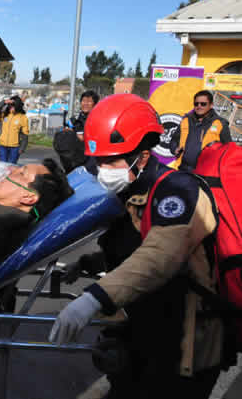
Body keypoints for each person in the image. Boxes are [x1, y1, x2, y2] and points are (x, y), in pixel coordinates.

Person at [49, 94, 226, 398]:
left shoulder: (179, 192)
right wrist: (91, 262)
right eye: (99, 160)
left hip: (184, 340)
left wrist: (94, 298)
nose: (103, 169)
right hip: (143, 328)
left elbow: (160, 255)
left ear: (143, 156)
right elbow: (134, 246)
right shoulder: (131, 189)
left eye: (111, 160)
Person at [173, 90, 231, 172]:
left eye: (203, 104)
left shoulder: (220, 123)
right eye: (196, 104)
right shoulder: (185, 120)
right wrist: (175, 149)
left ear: (211, 105)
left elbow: (228, 149)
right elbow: (174, 140)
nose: (199, 106)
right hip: (182, 170)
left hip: (206, 172)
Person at [54, 90, 99, 173]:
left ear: (95, 104)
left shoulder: (98, 121)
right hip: (74, 159)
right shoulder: (74, 120)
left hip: (91, 159)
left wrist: (84, 138)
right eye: (83, 101)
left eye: (89, 101)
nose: (85, 104)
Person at [0, 95, 29, 164]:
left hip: (15, 148)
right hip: (3, 146)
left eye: (13, 105)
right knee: (2, 166)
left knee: (11, 167)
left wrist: (22, 148)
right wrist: (4, 102)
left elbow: (25, 134)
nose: (10, 107)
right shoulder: (5, 115)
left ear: (17, 106)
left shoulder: (23, 118)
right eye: (10, 105)